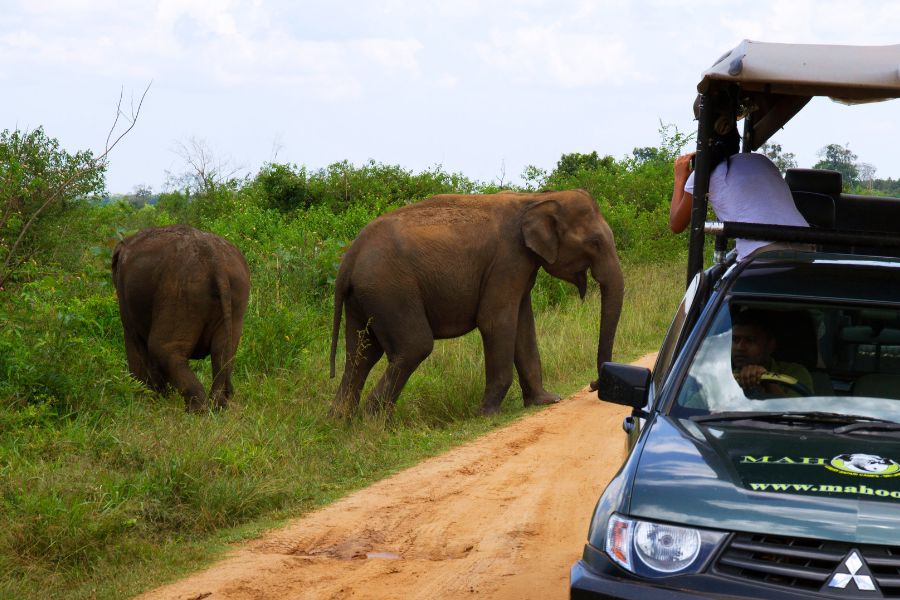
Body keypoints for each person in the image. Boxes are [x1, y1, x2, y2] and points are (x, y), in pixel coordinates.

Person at [669, 97, 810, 261]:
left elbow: (676, 224)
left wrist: (680, 178)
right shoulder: (761, 161)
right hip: (807, 246)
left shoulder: (704, 174)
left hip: (762, 253)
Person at [730, 308, 813, 397]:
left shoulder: (795, 372)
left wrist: (767, 380)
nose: (740, 347)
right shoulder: (723, 374)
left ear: (770, 345)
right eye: (735, 340)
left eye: (750, 340)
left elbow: (797, 409)